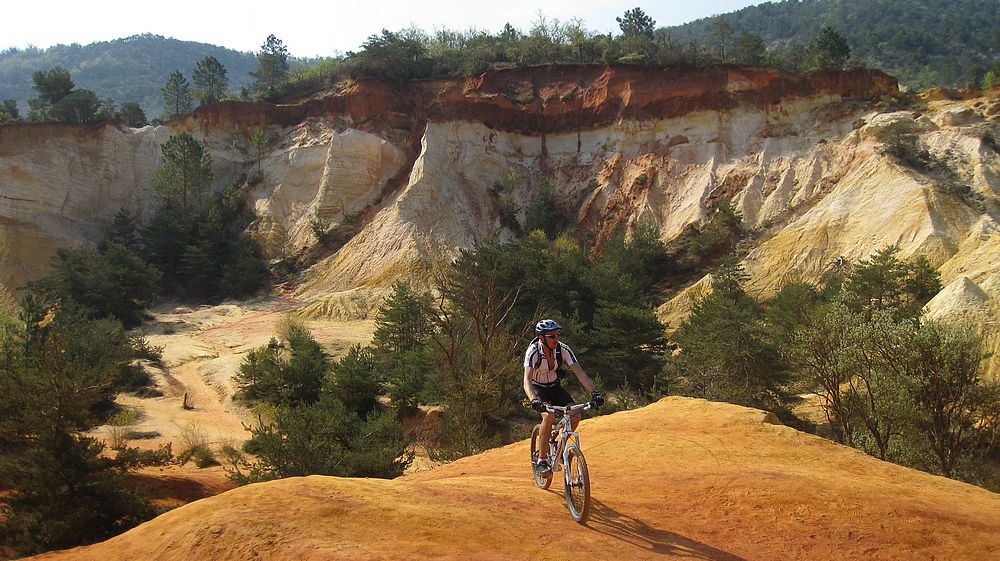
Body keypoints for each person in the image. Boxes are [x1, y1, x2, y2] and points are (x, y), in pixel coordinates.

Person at [523, 318, 604, 475]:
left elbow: (580, 373)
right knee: (549, 415)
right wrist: (534, 400)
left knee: (575, 415)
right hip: (538, 388)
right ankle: (542, 459)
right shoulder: (533, 351)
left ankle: (560, 449)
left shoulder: (563, 349)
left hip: (554, 386)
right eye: (551, 337)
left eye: (557, 335)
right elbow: (526, 381)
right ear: (541, 338)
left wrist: (595, 392)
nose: (556, 339)